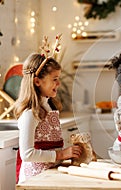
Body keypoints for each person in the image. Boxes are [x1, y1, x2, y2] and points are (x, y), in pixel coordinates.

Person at [14, 35, 82, 183]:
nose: (58, 84)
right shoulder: (30, 114)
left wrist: (68, 152)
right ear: (37, 81)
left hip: (50, 174)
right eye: (54, 79)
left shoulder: (49, 106)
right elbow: (27, 154)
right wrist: (61, 155)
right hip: (35, 178)